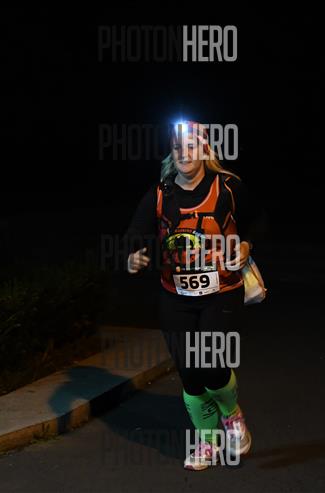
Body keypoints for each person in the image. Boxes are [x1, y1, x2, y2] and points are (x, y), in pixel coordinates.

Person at [125, 121, 256, 470]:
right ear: (172, 153)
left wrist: (245, 245)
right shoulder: (161, 193)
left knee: (211, 365)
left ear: (205, 150)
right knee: (189, 373)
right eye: (178, 147)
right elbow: (136, 231)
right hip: (175, 296)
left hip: (221, 292)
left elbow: (258, 221)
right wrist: (134, 255)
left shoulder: (228, 187)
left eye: (192, 145)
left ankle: (231, 414)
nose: (185, 153)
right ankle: (207, 441)